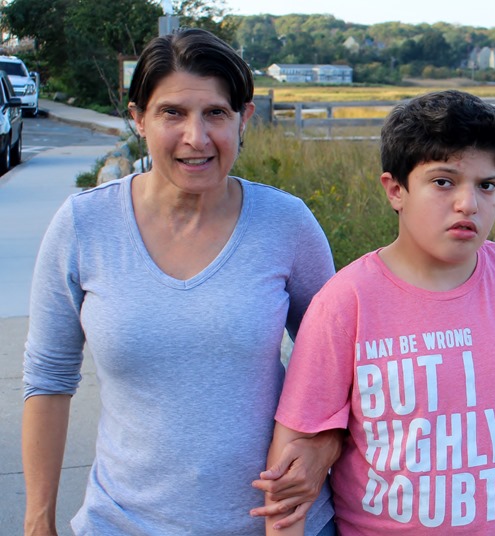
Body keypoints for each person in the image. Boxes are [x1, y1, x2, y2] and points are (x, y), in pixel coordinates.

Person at [263, 90, 495, 535]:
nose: (469, 204)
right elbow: (292, 454)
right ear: (396, 190)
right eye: (444, 182)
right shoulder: (346, 301)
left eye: (487, 185)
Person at [22, 28, 338, 535]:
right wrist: (39, 521)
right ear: (139, 118)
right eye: (172, 113)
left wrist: (325, 446)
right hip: (122, 523)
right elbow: (48, 379)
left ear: (243, 119)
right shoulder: (84, 225)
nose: (197, 137)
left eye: (215, 113)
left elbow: (338, 362)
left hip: (280, 525)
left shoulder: (287, 223)